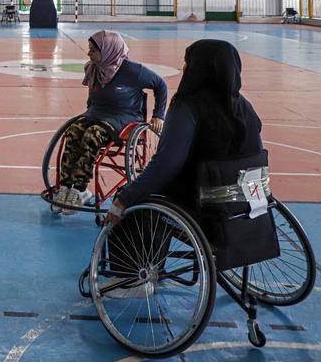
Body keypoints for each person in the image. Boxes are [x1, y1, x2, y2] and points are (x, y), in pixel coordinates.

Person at [106, 40, 263, 225]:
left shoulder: (186, 108)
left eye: (188, 63)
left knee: (131, 201)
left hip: (206, 203)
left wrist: (124, 199)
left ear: (198, 69)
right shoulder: (244, 107)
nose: (184, 67)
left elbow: (166, 165)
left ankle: (142, 255)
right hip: (249, 201)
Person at [53, 30, 168, 212]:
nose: (88, 53)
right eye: (89, 49)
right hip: (97, 113)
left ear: (108, 51)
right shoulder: (93, 68)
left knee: (92, 135)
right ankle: (66, 186)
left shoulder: (132, 71)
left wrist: (158, 114)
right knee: (74, 131)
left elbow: (160, 85)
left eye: (93, 50)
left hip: (124, 117)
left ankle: (81, 189)